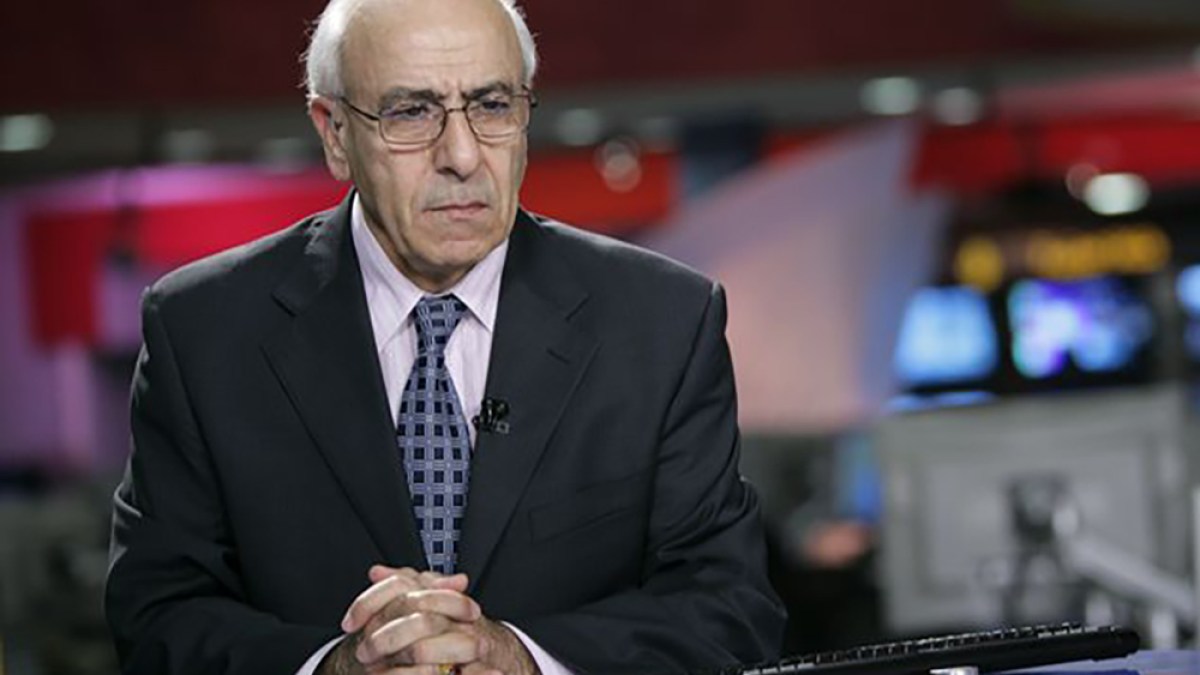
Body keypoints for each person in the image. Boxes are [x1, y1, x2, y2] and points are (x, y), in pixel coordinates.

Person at [104, 0, 785, 672]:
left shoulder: (663, 322)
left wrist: (521, 660)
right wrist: (333, 668)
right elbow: (158, 617)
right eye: (411, 112)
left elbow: (729, 609)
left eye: (492, 106)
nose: (462, 156)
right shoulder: (203, 331)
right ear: (335, 134)